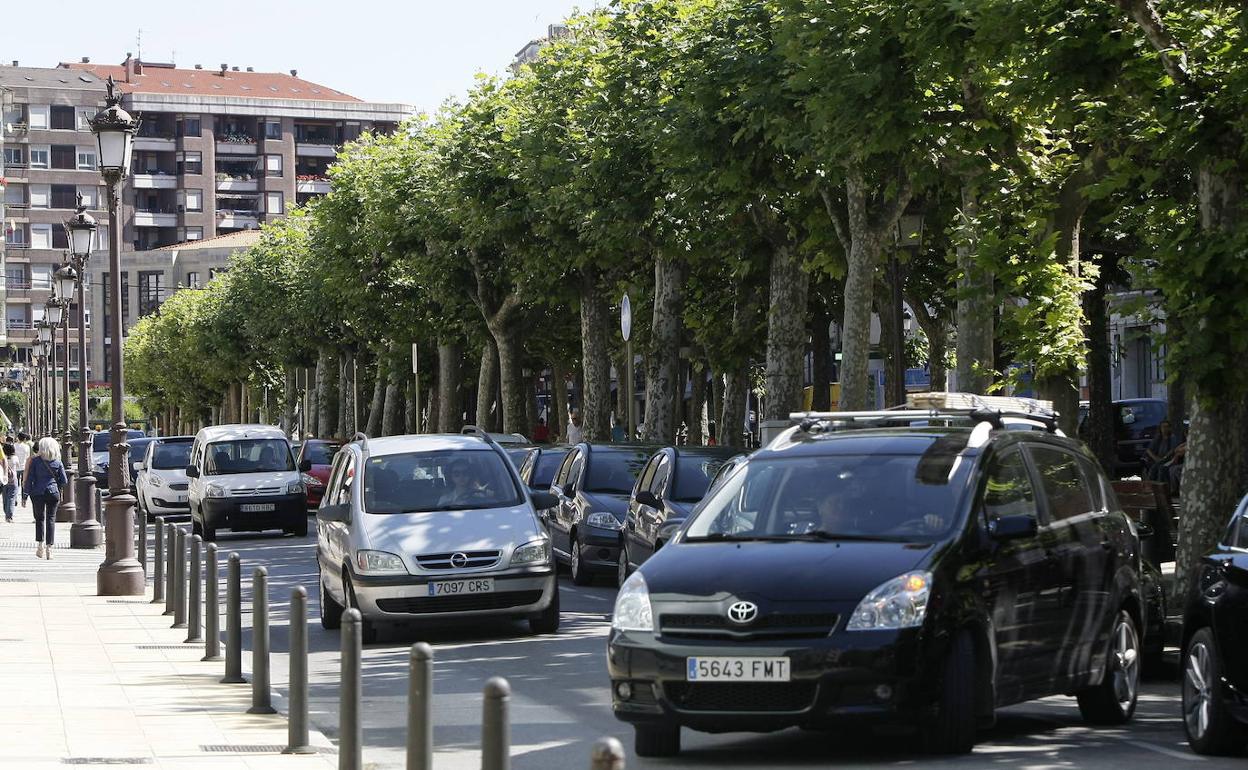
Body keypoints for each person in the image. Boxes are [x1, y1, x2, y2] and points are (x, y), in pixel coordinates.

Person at [24, 437, 67, 559]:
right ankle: (49, 548)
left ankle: (40, 546)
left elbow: (30, 479)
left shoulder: (36, 461)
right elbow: (64, 480)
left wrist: (25, 495)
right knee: (51, 519)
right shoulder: (57, 462)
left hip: (37, 493)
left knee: (39, 519)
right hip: (53, 492)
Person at [14, 431, 31, 507]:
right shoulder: (26, 447)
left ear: (18, 438)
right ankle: (24, 500)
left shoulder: (14, 446)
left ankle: (15, 499)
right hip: (24, 467)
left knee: (16, 484)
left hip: (16, 467)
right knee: (24, 484)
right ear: (24, 439)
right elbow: (28, 458)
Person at [0, 442, 15, 522]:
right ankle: (9, 515)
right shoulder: (15, 458)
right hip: (13, 480)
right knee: (11, 497)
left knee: (5, 497)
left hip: (4, 480)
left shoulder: (2, 456)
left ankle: (7, 513)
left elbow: (3, 461)